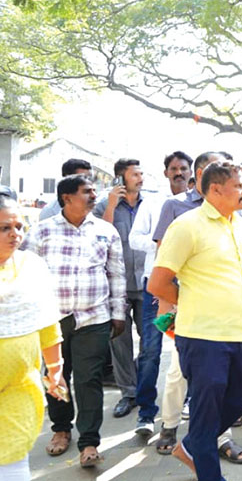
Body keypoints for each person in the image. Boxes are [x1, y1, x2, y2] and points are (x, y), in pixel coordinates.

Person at [148, 161, 242, 481]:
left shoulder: (239, 222)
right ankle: (209, 473)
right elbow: (158, 284)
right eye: (239, 186)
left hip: (239, 330)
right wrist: (195, 302)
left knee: (240, 396)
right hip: (203, 335)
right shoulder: (186, 225)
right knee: (206, 413)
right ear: (215, 190)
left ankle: (194, 444)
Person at [21, 175, 125, 468]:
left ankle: (89, 441)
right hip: (53, 319)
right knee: (56, 377)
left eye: (94, 191)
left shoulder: (106, 231)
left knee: (89, 378)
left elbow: (116, 274)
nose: (94, 196)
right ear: (67, 198)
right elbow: (25, 274)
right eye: (87, 192)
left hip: (94, 317)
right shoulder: (41, 231)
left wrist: (118, 313)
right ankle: (61, 429)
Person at [0, 195, 66, 480]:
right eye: (5, 228)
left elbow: (47, 321)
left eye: (19, 226)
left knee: (13, 463)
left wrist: (55, 371)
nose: (15, 234)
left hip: (19, 388)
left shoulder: (32, 267)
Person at [128, 150, 192, 442]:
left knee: (189, 350)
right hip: (156, 285)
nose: (179, 173)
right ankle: (146, 413)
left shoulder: (199, 204)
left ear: (192, 172)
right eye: (174, 168)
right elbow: (134, 238)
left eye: (183, 168)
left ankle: (186, 404)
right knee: (151, 350)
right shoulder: (154, 203)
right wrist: (164, 243)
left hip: (189, 286)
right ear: (166, 172)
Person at [94, 158, 146, 421]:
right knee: (120, 343)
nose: (140, 177)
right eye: (134, 174)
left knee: (151, 339)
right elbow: (99, 237)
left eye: (141, 173)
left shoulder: (151, 204)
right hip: (117, 285)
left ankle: (141, 385)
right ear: (120, 179)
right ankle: (128, 392)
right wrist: (112, 205)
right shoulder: (105, 205)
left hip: (146, 284)